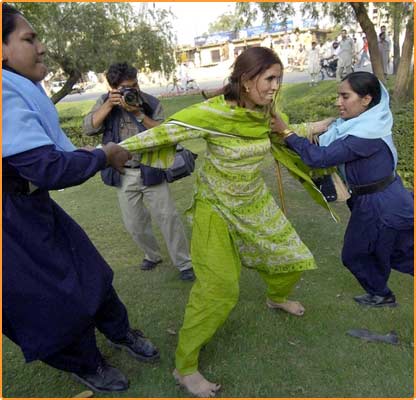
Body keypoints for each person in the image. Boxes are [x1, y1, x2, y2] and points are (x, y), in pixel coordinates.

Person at [116, 46, 336, 397]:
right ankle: (185, 367)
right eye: (270, 79)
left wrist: (319, 125)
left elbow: (284, 131)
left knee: (293, 257)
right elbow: (167, 132)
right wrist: (107, 153)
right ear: (246, 80)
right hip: (215, 207)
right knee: (219, 289)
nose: (275, 86)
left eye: (278, 79)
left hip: (254, 203)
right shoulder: (213, 113)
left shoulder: (267, 112)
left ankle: (276, 297)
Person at [2, 4, 159, 393]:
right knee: (47, 301)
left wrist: (89, 155)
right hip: (10, 227)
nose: (41, 47)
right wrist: (104, 155)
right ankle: (87, 363)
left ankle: (121, 331)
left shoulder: (16, 87)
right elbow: (48, 168)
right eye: (29, 38)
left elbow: (43, 158)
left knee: (90, 270)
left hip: (31, 206)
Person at [272, 71, 414, 308]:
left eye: (345, 96)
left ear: (366, 99)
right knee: (397, 250)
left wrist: (286, 132)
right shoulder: (361, 125)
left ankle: (381, 294)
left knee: (358, 254)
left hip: (382, 204)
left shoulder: (365, 135)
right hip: (380, 200)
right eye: (338, 96)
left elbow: (319, 158)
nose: (338, 102)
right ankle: (381, 294)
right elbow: (324, 143)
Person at [83, 63, 194, 281]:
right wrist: (109, 104)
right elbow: (88, 128)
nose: (133, 90)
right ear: (114, 88)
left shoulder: (150, 102)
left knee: (168, 218)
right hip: (124, 172)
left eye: (135, 85)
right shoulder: (105, 102)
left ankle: (184, 263)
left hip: (152, 167)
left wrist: (139, 114)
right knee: (134, 223)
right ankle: (152, 255)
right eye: (126, 87)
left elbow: (166, 133)